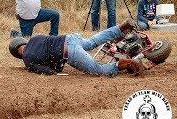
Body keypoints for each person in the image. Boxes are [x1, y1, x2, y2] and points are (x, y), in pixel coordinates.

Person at [9, 18, 144, 77]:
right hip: (71, 38)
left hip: (70, 52)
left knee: (99, 70)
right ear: (23, 41)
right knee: (91, 42)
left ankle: (128, 64)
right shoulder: (34, 38)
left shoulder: (27, 59)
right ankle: (121, 27)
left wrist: (54, 69)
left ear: (18, 54)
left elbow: (48, 71)